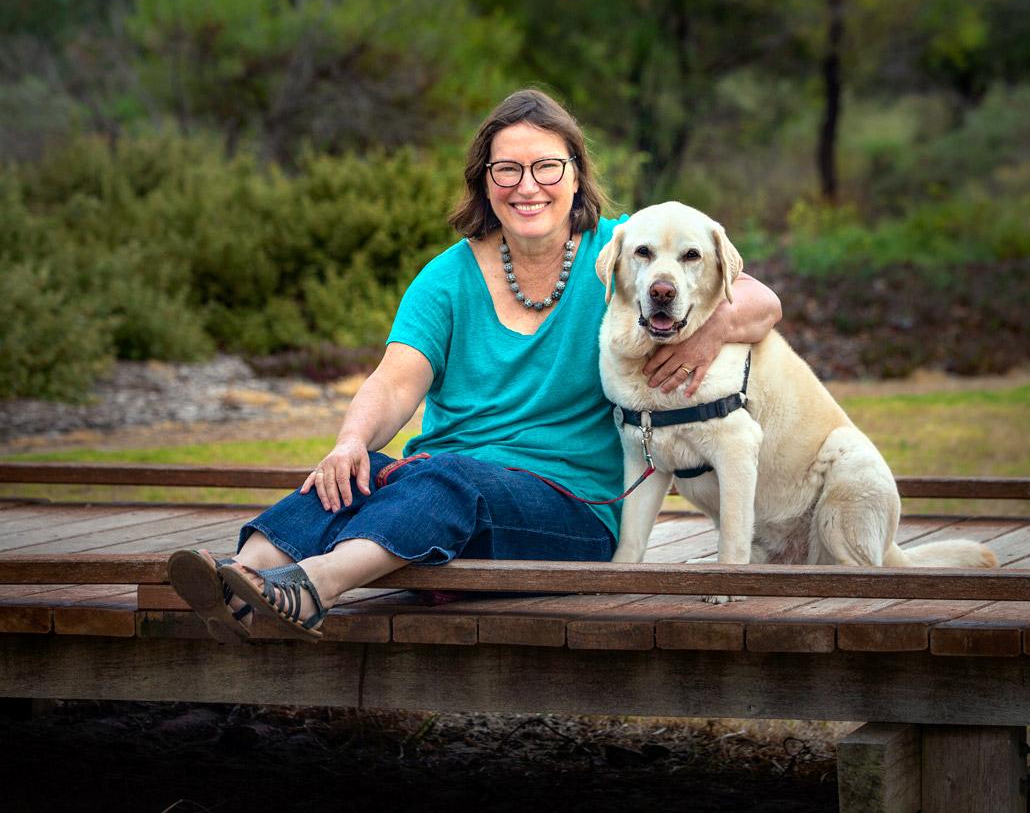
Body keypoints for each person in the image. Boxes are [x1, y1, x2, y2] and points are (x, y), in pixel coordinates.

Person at [166, 88, 782, 643]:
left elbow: (761, 300)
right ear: (485, 182)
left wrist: (709, 334)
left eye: (546, 167)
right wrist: (350, 442)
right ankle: (241, 581)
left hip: (572, 512)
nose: (527, 185)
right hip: (443, 488)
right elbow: (394, 379)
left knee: (444, 477)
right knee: (363, 472)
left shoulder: (622, 251)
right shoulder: (446, 277)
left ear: (575, 178)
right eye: (507, 169)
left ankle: (312, 588)